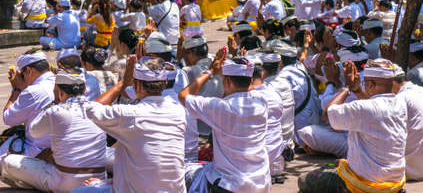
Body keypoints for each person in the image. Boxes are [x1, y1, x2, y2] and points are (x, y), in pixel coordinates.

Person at [78, 56, 187, 193]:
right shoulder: (178, 111)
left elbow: (90, 109)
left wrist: (122, 83)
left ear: (138, 85)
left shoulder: (130, 114)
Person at [299, 59, 407, 193]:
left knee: (304, 179)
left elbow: (327, 114)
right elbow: (373, 107)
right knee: (336, 165)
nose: (364, 86)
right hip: (395, 183)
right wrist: (357, 89)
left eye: (365, 83)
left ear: (371, 85)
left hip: (365, 184)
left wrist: (347, 87)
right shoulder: (400, 105)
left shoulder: (364, 108)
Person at [1, 69, 107, 192]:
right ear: (84, 90)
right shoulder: (99, 108)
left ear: (60, 93)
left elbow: (34, 131)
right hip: (97, 180)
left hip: (64, 183)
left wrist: (53, 103)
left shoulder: (55, 111)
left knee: (9, 161)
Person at [179, 51, 271, 193]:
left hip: (231, 186)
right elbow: (241, 88)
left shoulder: (222, 108)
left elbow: (183, 95)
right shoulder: (261, 101)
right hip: (261, 184)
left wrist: (210, 72)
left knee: (186, 174)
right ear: (250, 81)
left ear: (227, 82)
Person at [1, 50, 53, 161]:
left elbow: (8, 119)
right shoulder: (60, 81)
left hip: (39, 151)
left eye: (22, 74)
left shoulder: (32, 91)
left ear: (28, 71)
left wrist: (16, 89)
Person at [249, 55, 285, 183]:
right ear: (262, 73)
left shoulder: (245, 98)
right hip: (276, 164)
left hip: (254, 165)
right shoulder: (274, 93)